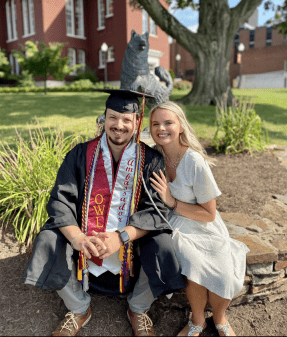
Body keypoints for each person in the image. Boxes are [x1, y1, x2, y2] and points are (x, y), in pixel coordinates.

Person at [23, 90, 185, 337]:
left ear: (136, 122)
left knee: (164, 244)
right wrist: (78, 239)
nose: (118, 125)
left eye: (126, 119)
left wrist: (120, 236)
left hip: (130, 251)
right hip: (84, 248)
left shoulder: (150, 160)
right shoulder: (80, 154)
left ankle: (138, 308)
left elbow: (156, 211)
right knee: (47, 239)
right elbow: (60, 201)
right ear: (104, 118)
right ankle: (78, 308)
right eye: (113, 117)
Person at [149, 101, 250, 337]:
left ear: (181, 127)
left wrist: (171, 200)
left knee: (223, 269)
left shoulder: (194, 161)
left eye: (168, 123)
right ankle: (197, 321)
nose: (161, 128)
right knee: (193, 262)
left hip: (203, 223)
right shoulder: (155, 155)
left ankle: (220, 318)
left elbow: (209, 213)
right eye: (156, 124)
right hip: (175, 225)